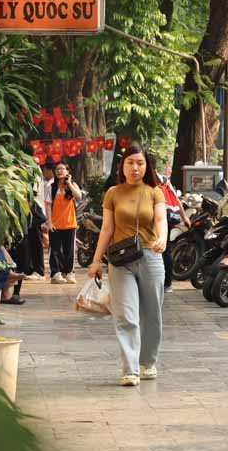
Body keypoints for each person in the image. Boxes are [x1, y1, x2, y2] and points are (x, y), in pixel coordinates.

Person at [88, 144, 167, 387]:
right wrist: (95, 261)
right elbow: (107, 229)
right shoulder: (113, 193)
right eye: (130, 163)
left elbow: (160, 219)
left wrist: (162, 238)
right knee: (126, 316)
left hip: (150, 257)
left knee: (152, 314)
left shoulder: (154, 192)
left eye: (140, 163)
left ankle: (147, 362)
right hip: (120, 261)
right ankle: (130, 370)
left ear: (146, 167)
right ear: (122, 166)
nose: (135, 168)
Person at [46, 162, 82, 284]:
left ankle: (69, 273)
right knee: (55, 250)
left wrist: (69, 183)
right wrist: (49, 222)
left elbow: (79, 196)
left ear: (67, 171)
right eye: (57, 169)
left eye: (62, 169)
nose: (60, 171)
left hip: (70, 223)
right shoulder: (51, 187)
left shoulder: (73, 185)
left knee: (69, 250)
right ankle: (56, 273)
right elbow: (48, 205)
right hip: (55, 224)